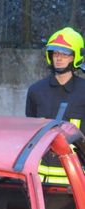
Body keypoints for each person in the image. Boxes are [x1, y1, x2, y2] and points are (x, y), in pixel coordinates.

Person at [26, 27, 85, 184]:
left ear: (75, 57)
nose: (58, 58)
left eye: (64, 54)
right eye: (55, 53)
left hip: (74, 182)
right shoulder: (36, 91)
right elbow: (30, 134)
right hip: (38, 182)